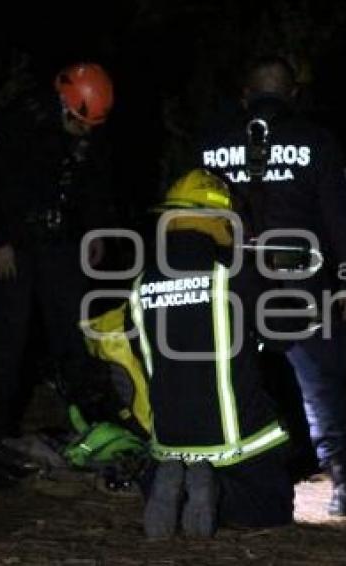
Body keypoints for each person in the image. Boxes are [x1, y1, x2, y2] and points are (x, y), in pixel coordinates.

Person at [199, 56, 346, 516]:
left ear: (245, 96)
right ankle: (343, 485)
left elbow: (192, 215)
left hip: (235, 284)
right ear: (293, 95)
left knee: (236, 383)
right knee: (324, 383)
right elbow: (345, 216)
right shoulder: (316, 141)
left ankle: (235, 483)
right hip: (303, 286)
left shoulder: (212, 144)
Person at [0, 62, 115, 472]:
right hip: (12, 247)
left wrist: (95, 229)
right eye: (82, 124)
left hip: (58, 243)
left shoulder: (83, 129)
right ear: (65, 107)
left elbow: (92, 179)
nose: (88, 133)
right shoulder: (16, 122)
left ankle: (91, 423)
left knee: (74, 331)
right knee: (10, 339)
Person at [128, 169, 293, 537]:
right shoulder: (234, 274)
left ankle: (176, 483)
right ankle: (218, 493)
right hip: (236, 445)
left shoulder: (140, 284)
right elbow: (283, 336)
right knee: (273, 508)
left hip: (168, 440)